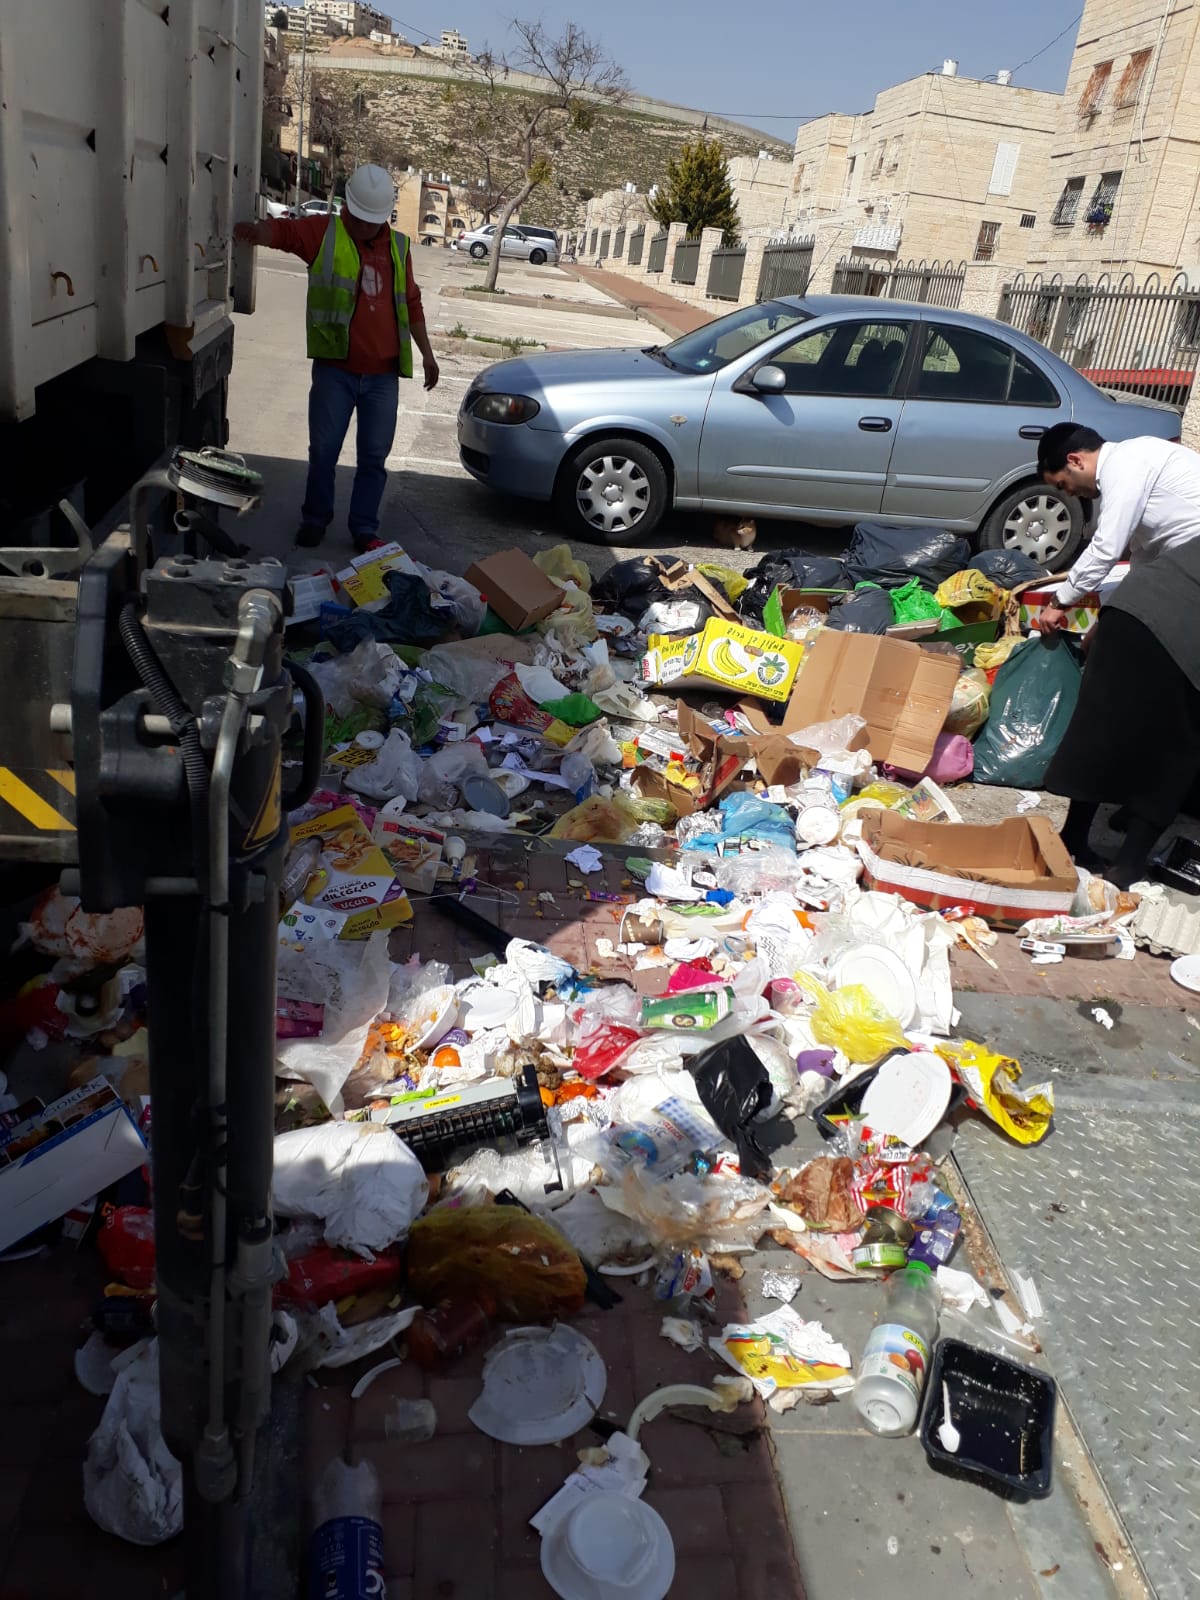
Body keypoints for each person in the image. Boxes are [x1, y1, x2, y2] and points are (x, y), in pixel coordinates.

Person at [234, 164, 439, 552]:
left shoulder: (397, 247)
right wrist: (255, 232)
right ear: (350, 209)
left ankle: (364, 528)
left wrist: (427, 354)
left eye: (372, 222)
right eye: (360, 220)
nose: (365, 228)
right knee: (324, 453)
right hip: (335, 372)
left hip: (382, 377)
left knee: (374, 458)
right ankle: (315, 519)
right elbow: (285, 234)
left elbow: (411, 302)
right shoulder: (324, 232)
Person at [1034, 422, 1200, 886]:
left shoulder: (1129, 460)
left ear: (1075, 460)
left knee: (1141, 728)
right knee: (1159, 734)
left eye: (1064, 485)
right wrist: (1108, 621)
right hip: (1162, 597)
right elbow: (1146, 561)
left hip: (1178, 596)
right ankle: (1113, 857)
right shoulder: (1154, 473)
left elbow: (1108, 546)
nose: (1072, 495)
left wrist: (1061, 601)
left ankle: (1098, 844)